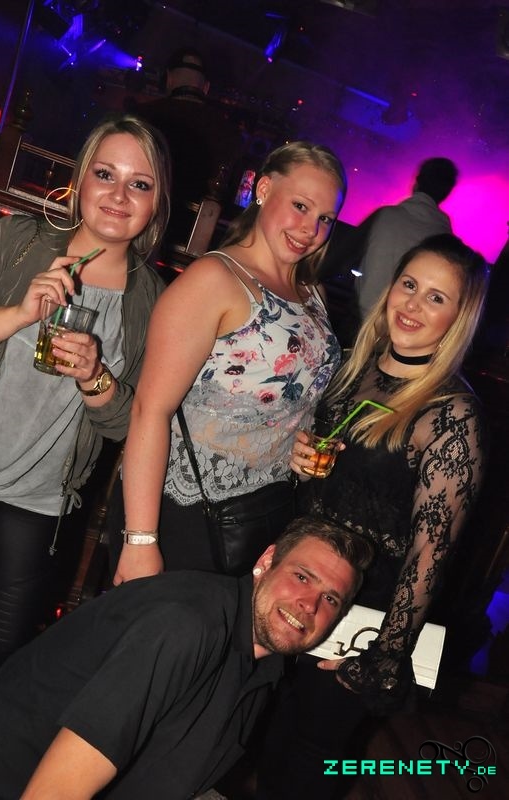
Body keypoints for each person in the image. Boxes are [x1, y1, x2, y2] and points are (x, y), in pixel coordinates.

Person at [257, 233, 490, 799]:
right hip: (296, 585)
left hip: (361, 615)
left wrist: (385, 652)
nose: (413, 305)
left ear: (457, 319)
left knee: (309, 755)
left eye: (437, 298)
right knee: (264, 732)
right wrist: (300, 464)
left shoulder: (451, 415)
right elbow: (324, 488)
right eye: (409, 284)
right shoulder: (351, 370)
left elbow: (430, 555)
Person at [0, 517, 373, 800]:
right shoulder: (186, 625)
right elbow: (53, 792)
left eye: (330, 599)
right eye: (301, 577)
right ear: (266, 562)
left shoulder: (263, 665)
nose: (309, 604)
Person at [0, 114, 171, 683]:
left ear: (157, 202)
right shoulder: (19, 242)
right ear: (81, 179)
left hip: (35, 502)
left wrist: (94, 377)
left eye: (140, 183)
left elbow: (131, 425)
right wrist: (18, 314)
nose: (118, 195)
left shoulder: (153, 301)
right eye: (105, 174)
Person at [111, 139, 348, 582]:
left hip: (265, 514)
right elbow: (149, 409)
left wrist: (303, 446)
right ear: (264, 190)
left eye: (325, 219)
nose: (310, 229)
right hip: (184, 514)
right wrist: (140, 539)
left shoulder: (313, 292)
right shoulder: (214, 278)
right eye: (300, 206)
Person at [135, 47, 244, 250]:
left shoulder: (141, 117)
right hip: (195, 244)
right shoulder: (229, 133)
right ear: (206, 87)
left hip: (139, 231)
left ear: (169, 79)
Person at [355, 157, 458, 320]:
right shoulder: (446, 240)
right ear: (447, 192)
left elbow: (341, 255)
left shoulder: (385, 216)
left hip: (362, 319)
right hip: (405, 323)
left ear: (417, 180)